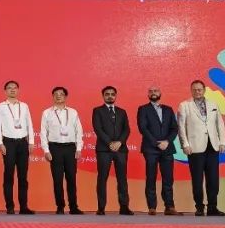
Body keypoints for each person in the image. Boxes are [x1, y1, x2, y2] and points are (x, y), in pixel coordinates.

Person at [178, 80, 225, 216]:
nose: (197, 92)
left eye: (199, 89)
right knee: (197, 179)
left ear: (204, 90)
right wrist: (185, 145)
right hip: (194, 148)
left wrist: (222, 142)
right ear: (191, 90)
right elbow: (181, 127)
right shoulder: (184, 105)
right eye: (194, 90)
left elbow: (220, 124)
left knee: (213, 179)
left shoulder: (213, 104)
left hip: (213, 146)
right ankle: (199, 207)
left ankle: (212, 207)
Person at [136, 86, 179, 215]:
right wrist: (156, 143)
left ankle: (169, 206)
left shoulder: (168, 109)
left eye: (156, 91)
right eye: (150, 91)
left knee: (168, 178)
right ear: (148, 94)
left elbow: (174, 128)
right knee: (151, 177)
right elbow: (143, 128)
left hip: (167, 148)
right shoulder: (143, 109)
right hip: (150, 149)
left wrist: (167, 142)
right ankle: (152, 207)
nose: (153, 93)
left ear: (160, 93)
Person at [40, 86, 84, 214]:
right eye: (56, 94)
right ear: (53, 96)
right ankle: (60, 206)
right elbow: (43, 132)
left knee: (71, 178)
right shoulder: (47, 113)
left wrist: (78, 148)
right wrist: (46, 150)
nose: (58, 96)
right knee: (57, 179)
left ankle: (74, 207)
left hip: (70, 148)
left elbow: (79, 131)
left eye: (61, 94)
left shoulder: (73, 112)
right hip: (55, 148)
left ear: (65, 96)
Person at [0, 80, 35, 215]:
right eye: (9, 88)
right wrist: (0, 143)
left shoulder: (24, 106)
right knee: (9, 175)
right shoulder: (0, 107)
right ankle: (10, 206)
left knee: (23, 176)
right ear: (5, 91)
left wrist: (31, 142)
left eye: (15, 88)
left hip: (23, 143)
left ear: (18, 90)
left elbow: (29, 124)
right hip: (8, 143)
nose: (12, 90)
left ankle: (24, 207)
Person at [92, 86, 133, 216]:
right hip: (104, 149)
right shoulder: (97, 111)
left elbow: (126, 129)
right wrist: (110, 143)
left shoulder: (122, 112)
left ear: (115, 96)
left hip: (121, 149)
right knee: (102, 178)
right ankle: (101, 208)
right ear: (103, 96)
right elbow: (98, 129)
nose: (110, 96)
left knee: (122, 179)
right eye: (107, 94)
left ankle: (124, 207)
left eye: (112, 94)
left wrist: (119, 142)